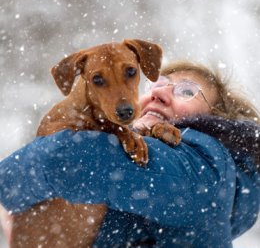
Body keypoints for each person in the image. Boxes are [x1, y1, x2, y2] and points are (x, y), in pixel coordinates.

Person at [0, 60, 260, 248]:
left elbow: (66, 157)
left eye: (186, 91)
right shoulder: (139, 189)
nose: (159, 93)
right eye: (156, 84)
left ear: (215, 119)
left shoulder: (204, 164)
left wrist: (8, 188)